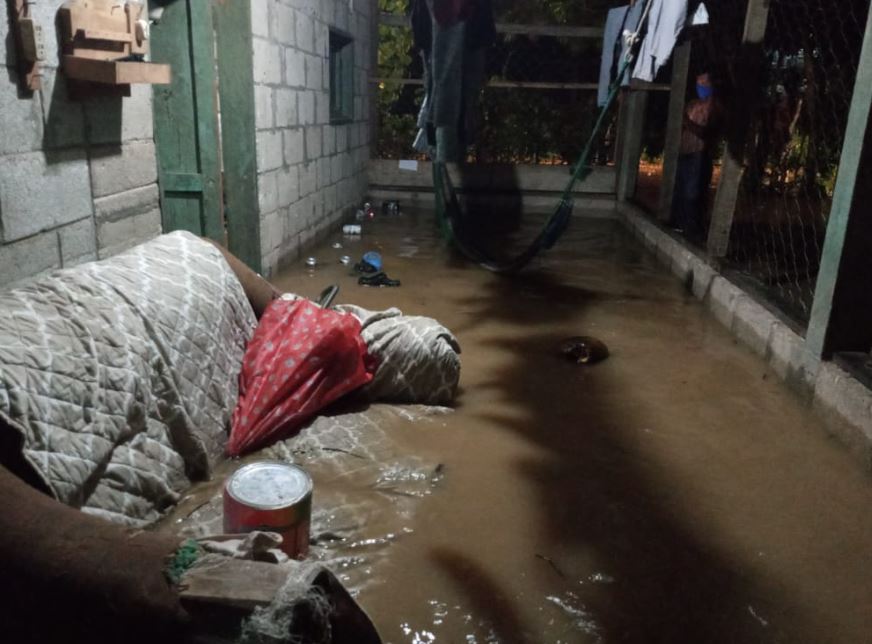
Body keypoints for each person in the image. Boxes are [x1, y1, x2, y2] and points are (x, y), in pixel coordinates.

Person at [672, 72, 721, 241]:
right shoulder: (693, 104)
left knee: (692, 194)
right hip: (684, 153)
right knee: (680, 192)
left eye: (704, 82)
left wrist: (687, 122)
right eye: (698, 82)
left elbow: (707, 133)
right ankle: (679, 226)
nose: (700, 85)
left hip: (698, 155)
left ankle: (692, 230)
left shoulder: (714, 107)